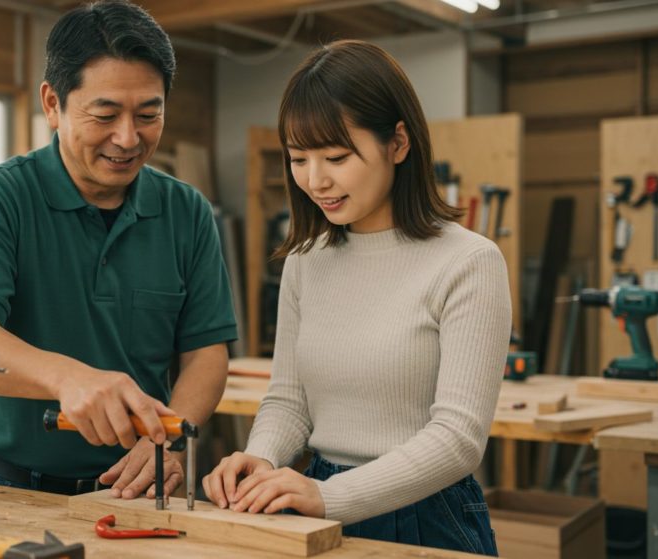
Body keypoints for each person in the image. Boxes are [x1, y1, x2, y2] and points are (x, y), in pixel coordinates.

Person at [202, 40, 509, 557]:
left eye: (336, 157)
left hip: (426, 513)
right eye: (299, 159)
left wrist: (331, 497)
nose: (315, 180)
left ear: (398, 143)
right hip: (314, 501)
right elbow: (289, 400)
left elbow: (458, 439)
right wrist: (262, 459)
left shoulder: (469, 262)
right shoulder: (306, 260)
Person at [0, 0, 236, 500]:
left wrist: (170, 440)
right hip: (11, 486)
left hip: (138, 487)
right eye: (105, 114)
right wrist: (67, 378)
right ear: (52, 104)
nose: (128, 138)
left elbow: (206, 353)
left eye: (148, 115)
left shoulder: (187, 211)